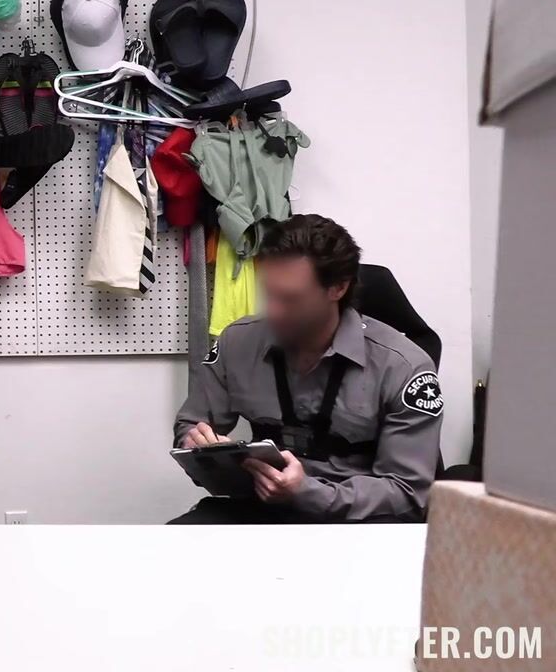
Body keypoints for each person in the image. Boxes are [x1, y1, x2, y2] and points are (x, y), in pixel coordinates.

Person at [170, 214, 443, 524]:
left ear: (338, 288)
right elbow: (191, 423)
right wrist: (197, 444)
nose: (273, 311)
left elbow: (408, 493)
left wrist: (308, 492)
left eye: (290, 299)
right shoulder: (238, 341)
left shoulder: (403, 366)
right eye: (268, 293)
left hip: (357, 518)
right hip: (264, 505)